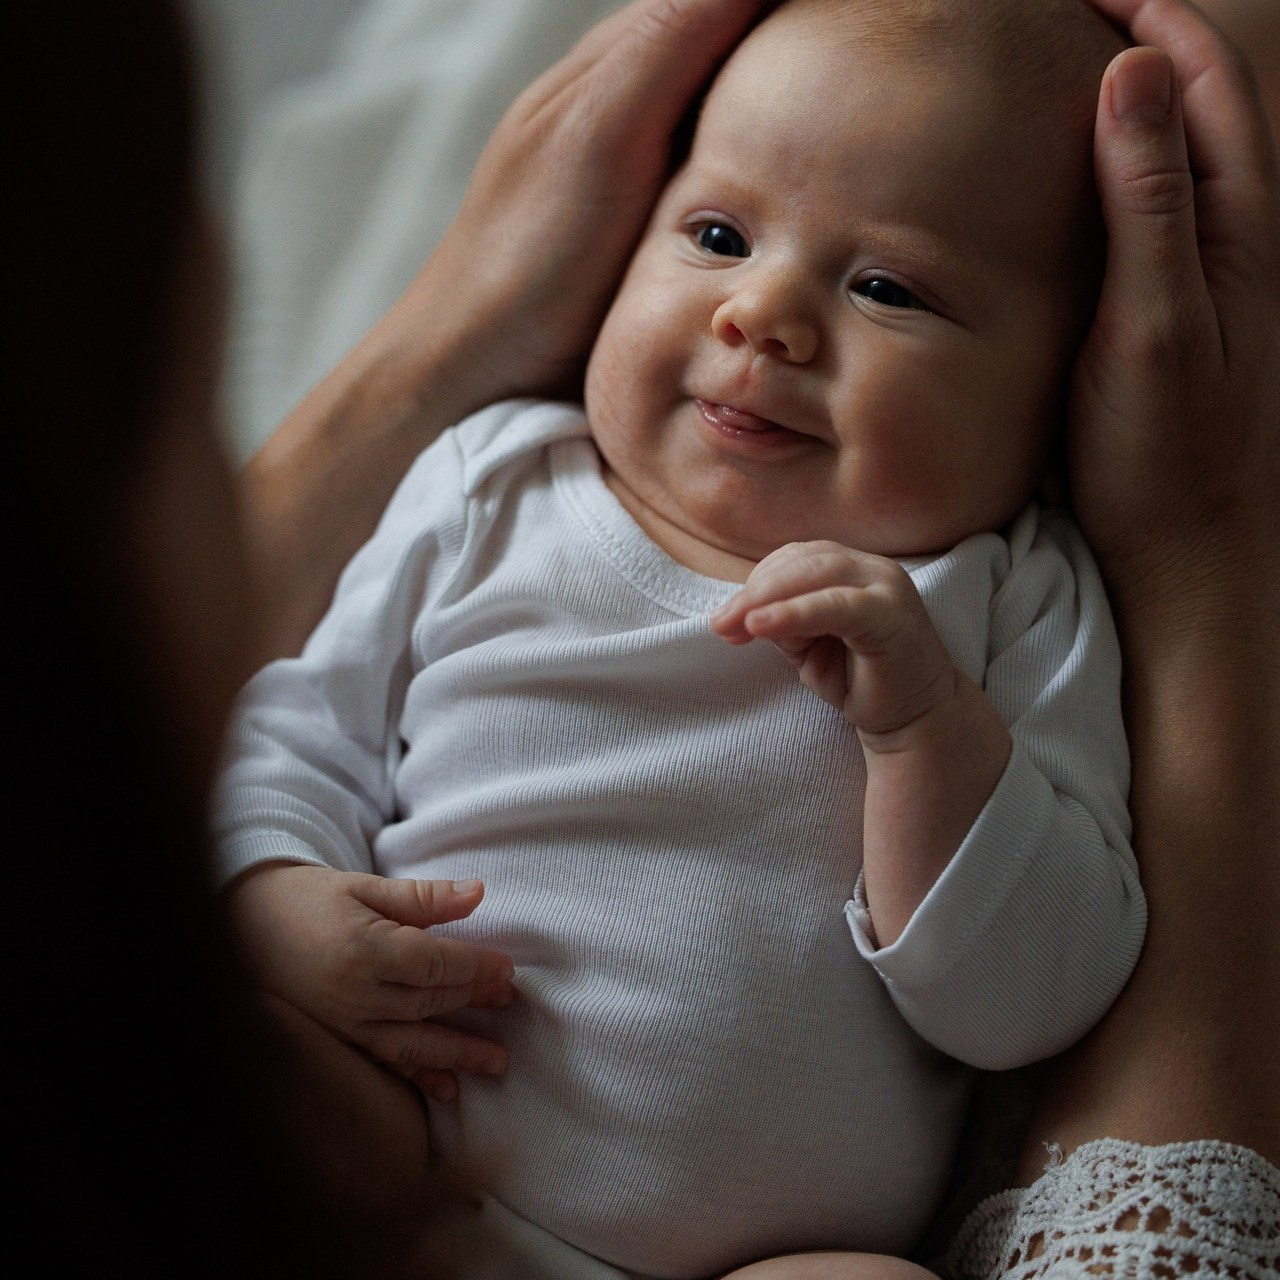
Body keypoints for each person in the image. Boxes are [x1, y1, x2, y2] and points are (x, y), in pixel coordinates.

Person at [15, 0, 1275, 1275]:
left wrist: (926, 733)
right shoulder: (495, 483)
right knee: (231, 1067)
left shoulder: (1008, 600)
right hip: (409, 1145)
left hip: (762, 1256)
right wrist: (269, 890)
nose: (761, 313)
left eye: (885, 286)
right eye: (718, 234)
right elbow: (297, 725)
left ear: (1061, 381)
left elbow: (1035, 1000)